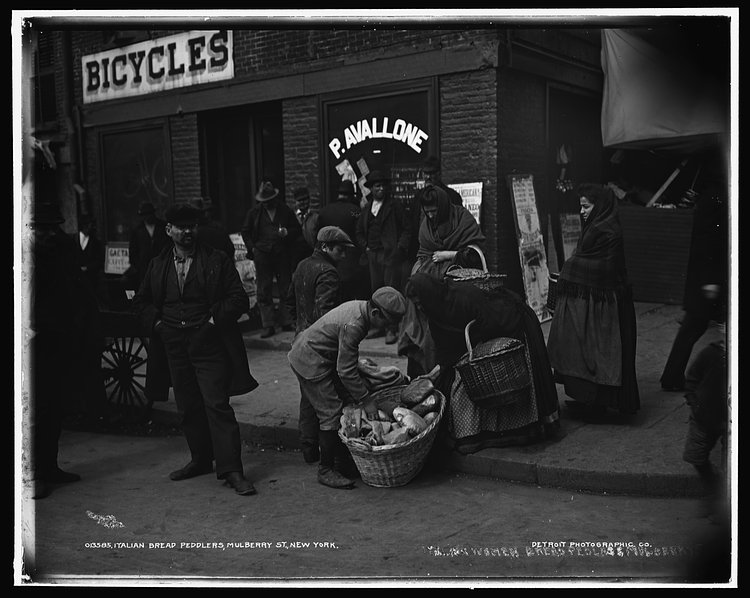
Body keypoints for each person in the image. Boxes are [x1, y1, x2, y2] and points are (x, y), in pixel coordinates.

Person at [132, 202, 260, 496]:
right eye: (181, 227)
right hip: (174, 345)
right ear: (169, 231)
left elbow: (238, 299)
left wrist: (213, 322)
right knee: (188, 405)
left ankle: (232, 470)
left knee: (217, 404)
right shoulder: (158, 264)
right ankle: (201, 459)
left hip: (208, 343)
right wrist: (160, 325)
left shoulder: (215, 260)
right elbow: (141, 303)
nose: (188, 232)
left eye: (192, 226)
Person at [405, 273, 560, 454]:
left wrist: (474, 346)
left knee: (478, 375)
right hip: (479, 334)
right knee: (455, 378)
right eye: (416, 305)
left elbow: (490, 322)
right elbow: (447, 349)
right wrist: (434, 373)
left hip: (508, 322)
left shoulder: (464, 297)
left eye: (420, 303)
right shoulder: (436, 310)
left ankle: (513, 429)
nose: (420, 308)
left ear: (429, 295)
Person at [287, 287, 407, 489]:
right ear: (376, 313)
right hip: (310, 360)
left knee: (342, 403)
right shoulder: (355, 324)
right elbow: (345, 371)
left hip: (320, 356)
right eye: (387, 322)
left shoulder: (361, 308)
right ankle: (326, 469)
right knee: (331, 413)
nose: (389, 328)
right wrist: (366, 399)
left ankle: (340, 461)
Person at [546, 182, 640, 416]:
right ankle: (587, 400)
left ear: (599, 206)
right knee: (583, 352)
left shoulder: (608, 230)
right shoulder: (596, 225)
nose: (582, 211)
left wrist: (569, 267)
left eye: (586, 206)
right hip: (592, 299)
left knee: (598, 355)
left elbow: (605, 267)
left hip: (605, 305)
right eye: (581, 207)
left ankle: (597, 405)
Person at [29, 201, 98, 498]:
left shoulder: (61, 249)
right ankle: (31, 475)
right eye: (40, 229)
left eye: (51, 229)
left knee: (55, 404)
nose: (46, 235)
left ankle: (50, 466)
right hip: (29, 341)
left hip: (57, 336)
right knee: (32, 409)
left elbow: (76, 287)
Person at [286, 225, 355, 464]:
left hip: (299, 339)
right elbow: (326, 316)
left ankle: (308, 448)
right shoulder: (328, 273)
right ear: (325, 247)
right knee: (327, 400)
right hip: (318, 345)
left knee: (308, 395)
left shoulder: (303, 265)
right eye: (340, 250)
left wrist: (298, 329)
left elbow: (289, 303)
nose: (343, 256)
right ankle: (333, 456)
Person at [660, 189, 728, 391]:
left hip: (708, 279)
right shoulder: (715, 200)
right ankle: (673, 378)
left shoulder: (713, 198)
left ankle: (672, 377)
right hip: (709, 281)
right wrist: (710, 281)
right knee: (693, 328)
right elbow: (709, 244)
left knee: (692, 329)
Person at [241, 178, 302, 338]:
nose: (266, 203)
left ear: (274, 198)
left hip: (281, 254)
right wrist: (252, 248)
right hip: (262, 255)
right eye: (264, 201)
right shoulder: (254, 213)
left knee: (285, 288)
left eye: (269, 200)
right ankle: (268, 324)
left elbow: (296, 229)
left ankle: (286, 320)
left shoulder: (285, 210)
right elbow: (245, 232)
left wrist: (288, 233)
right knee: (264, 290)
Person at [355, 170, 410, 344]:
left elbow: (407, 229)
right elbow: (358, 232)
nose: (381, 189)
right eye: (377, 186)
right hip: (373, 256)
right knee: (375, 292)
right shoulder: (366, 208)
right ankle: (377, 326)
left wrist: (399, 248)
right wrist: (366, 246)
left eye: (383, 185)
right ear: (371, 189)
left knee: (390, 292)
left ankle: (391, 329)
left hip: (390, 256)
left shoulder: (395, 206)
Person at [682, 330, 728, 524]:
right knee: (695, 455)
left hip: (730, 423)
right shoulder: (711, 354)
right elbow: (692, 378)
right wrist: (695, 403)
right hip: (704, 418)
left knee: (731, 468)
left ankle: (724, 507)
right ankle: (714, 490)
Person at [410, 183, 486, 279]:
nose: (430, 216)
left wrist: (449, 255)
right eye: (427, 212)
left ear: (442, 207)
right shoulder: (426, 227)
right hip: (433, 279)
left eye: (433, 211)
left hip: (461, 279)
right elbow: (423, 255)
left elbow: (475, 255)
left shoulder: (463, 219)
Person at [317, 180, 369, 301]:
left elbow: (317, 234)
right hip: (350, 258)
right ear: (351, 195)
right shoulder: (355, 210)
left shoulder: (325, 210)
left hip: (328, 258)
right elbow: (360, 233)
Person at [123, 201, 170, 291]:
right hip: (144, 268)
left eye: (149, 214)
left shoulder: (163, 226)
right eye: (144, 215)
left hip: (161, 266)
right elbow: (133, 250)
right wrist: (138, 265)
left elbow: (168, 245)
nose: (147, 217)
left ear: (153, 214)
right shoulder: (137, 230)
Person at [291, 187, 317, 269]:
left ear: (309, 200)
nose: (302, 202)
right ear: (295, 202)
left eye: (305, 199)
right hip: (294, 257)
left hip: (311, 255)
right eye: (299, 200)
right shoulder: (291, 217)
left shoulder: (316, 218)